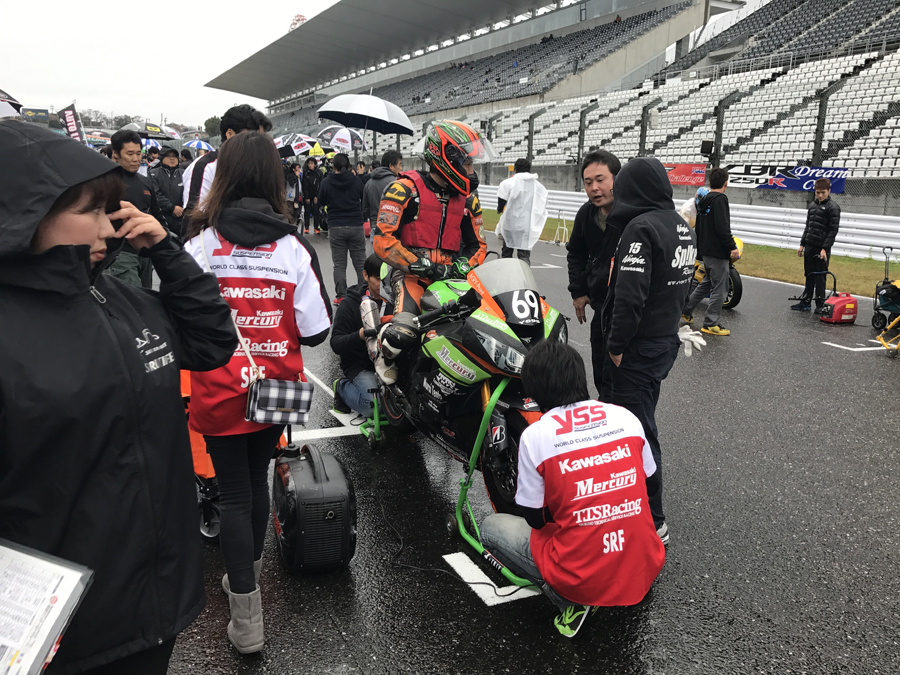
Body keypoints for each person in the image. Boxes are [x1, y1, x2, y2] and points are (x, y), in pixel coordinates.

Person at [0, 120, 237, 674]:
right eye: (91, 210)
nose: (110, 225)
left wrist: (168, 252)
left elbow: (212, 342)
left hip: (156, 604)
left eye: (111, 210)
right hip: (55, 630)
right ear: (25, 213)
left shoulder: (120, 299)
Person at [183, 131, 331, 654]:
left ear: (221, 176)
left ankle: (246, 615)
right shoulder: (294, 248)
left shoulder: (199, 247)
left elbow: (179, 323)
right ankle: (246, 581)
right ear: (274, 178)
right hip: (274, 390)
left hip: (219, 389)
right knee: (255, 482)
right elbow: (316, 330)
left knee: (233, 494)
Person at [479, 341, 665, 638]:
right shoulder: (624, 417)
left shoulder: (536, 436)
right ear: (579, 377)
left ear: (533, 392)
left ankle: (570, 599)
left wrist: (575, 503)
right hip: (644, 564)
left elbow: (535, 519)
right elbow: (651, 484)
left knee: (489, 528)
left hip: (582, 574)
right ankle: (620, 579)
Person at [601, 156, 697, 547]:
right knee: (639, 422)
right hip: (664, 340)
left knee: (635, 433)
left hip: (638, 347)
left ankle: (652, 518)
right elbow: (684, 286)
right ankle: (627, 504)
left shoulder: (640, 228)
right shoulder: (681, 226)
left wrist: (616, 345)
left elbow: (629, 297)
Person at [373, 119, 487, 316]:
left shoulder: (468, 200)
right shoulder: (403, 190)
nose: (471, 172)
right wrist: (420, 265)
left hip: (451, 278)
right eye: (467, 164)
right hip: (410, 276)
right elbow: (383, 241)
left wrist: (461, 266)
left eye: (471, 164)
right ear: (447, 159)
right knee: (403, 329)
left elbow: (478, 246)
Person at [566, 150, 622, 400]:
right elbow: (575, 253)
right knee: (600, 373)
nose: (594, 188)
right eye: (588, 182)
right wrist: (578, 291)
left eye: (600, 180)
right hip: (600, 310)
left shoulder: (632, 216)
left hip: (625, 311)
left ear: (616, 180)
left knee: (622, 381)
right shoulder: (586, 214)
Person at [330, 254, 392, 417]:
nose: (383, 285)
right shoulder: (350, 303)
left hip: (393, 361)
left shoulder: (397, 300)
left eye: (387, 280)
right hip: (361, 365)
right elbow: (336, 343)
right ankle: (342, 387)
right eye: (378, 279)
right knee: (372, 407)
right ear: (365, 275)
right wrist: (360, 335)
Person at [182, 104, 272, 213]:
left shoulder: (259, 165)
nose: (258, 144)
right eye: (252, 137)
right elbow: (194, 216)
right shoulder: (205, 167)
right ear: (230, 134)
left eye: (262, 138)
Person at [681, 168, 739, 336]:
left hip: (706, 250)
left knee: (706, 282)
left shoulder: (704, 200)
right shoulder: (720, 199)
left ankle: (686, 310)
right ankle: (710, 323)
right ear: (725, 184)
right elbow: (722, 227)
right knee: (720, 288)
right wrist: (732, 247)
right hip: (717, 252)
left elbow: (699, 227)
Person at [108, 129, 166, 288]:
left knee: (147, 296)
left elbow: (157, 214)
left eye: (138, 153)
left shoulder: (145, 182)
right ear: (116, 154)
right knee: (132, 296)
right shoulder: (106, 182)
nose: (135, 159)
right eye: (130, 154)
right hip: (121, 253)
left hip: (145, 252)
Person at [318, 152, 366, 305]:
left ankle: (341, 296)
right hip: (356, 224)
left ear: (333, 166)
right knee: (360, 263)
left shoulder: (326, 182)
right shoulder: (356, 180)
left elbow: (321, 201)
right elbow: (363, 198)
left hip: (336, 225)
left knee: (339, 264)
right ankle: (364, 293)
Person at [792, 177, 841, 314]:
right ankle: (806, 301)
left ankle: (820, 304)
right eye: (817, 192)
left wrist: (825, 248)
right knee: (809, 274)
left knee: (820, 276)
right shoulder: (812, 206)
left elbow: (833, 231)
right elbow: (808, 226)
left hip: (822, 248)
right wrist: (802, 244)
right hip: (810, 245)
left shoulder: (833, 207)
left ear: (829, 191)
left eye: (823, 193)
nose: (820, 195)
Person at [496, 157, 548, 266]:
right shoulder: (538, 186)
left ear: (515, 169)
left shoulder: (508, 183)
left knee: (506, 253)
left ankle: (505, 273)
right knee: (524, 255)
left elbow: (502, 199)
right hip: (526, 225)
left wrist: (499, 209)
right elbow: (542, 202)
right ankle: (525, 274)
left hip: (510, 223)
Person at [362, 150, 403, 233]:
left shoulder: (369, 183)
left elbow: (365, 208)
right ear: (391, 166)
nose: (401, 168)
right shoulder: (397, 182)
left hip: (375, 227)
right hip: (393, 228)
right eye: (399, 164)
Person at [148, 144, 185, 236]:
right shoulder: (153, 174)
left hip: (182, 219)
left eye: (174, 156)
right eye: (168, 156)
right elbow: (156, 195)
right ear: (162, 158)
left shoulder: (184, 173)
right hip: (162, 219)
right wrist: (172, 208)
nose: (172, 159)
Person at [300, 156, 322, 234]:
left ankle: (316, 227)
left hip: (316, 195)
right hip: (308, 195)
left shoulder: (319, 173)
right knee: (307, 211)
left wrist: (317, 196)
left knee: (316, 211)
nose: (310, 165)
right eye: (309, 163)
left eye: (312, 163)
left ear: (315, 164)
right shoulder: (306, 172)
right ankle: (306, 227)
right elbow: (304, 186)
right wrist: (307, 197)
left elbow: (320, 185)